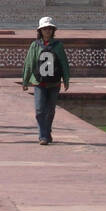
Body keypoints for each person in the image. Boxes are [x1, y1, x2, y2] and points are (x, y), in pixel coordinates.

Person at [21, 16, 71, 145]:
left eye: (49, 29)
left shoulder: (58, 46)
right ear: (40, 31)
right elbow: (29, 63)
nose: (47, 31)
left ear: (53, 30)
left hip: (54, 83)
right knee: (39, 110)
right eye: (45, 29)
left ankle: (46, 132)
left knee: (50, 110)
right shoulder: (35, 45)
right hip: (39, 82)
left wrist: (66, 80)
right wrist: (25, 80)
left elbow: (64, 63)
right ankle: (43, 135)